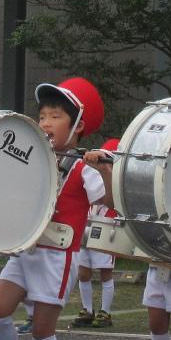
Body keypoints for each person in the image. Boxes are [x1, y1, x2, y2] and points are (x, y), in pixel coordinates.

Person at [0, 77, 107, 340]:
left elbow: (111, 201)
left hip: (58, 255)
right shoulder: (32, 159)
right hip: (26, 250)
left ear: (78, 126)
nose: (45, 123)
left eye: (55, 116)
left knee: (41, 329)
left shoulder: (85, 169)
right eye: (42, 116)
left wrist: (106, 170)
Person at [72, 136, 121, 327]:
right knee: (83, 272)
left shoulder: (113, 179)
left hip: (106, 226)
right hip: (87, 223)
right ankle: (87, 309)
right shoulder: (91, 174)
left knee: (105, 272)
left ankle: (105, 312)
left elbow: (110, 200)